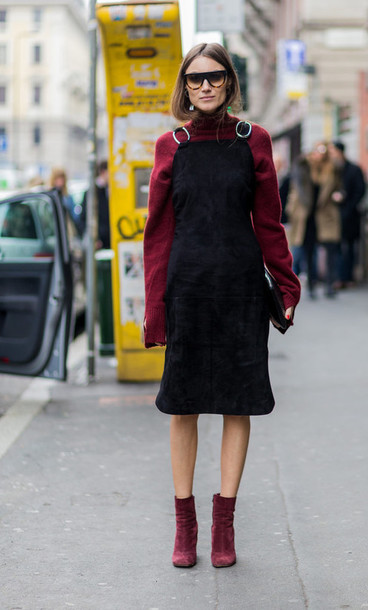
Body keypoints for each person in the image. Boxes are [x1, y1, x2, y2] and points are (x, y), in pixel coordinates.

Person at [143, 42, 301, 569]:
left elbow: (270, 222)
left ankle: (224, 526)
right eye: (195, 79)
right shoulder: (172, 145)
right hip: (186, 288)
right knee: (181, 403)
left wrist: (286, 285)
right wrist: (154, 306)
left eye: (215, 77)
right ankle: (184, 526)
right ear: (184, 87)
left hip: (239, 290)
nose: (205, 86)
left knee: (239, 402)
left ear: (230, 83)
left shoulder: (253, 140)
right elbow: (158, 235)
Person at [286, 143, 343, 298]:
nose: (319, 155)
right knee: (308, 253)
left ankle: (329, 285)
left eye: (323, 153)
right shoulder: (303, 168)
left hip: (326, 215)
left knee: (330, 250)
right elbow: (293, 190)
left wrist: (339, 196)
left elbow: (340, 188)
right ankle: (311, 286)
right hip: (306, 216)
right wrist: (291, 210)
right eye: (317, 152)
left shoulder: (333, 169)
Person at [328, 141, 366, 287]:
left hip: (350, 215)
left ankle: (348, 277)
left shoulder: (354, 169)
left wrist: (348, 205)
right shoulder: (330, 169)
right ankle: (337, 277)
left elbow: (360, 191)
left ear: (340, 152)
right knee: (335, 247)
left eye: (333, 152)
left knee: (349, 247)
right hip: (333, 215)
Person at [80, 160, 110, 248]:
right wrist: (94, 239)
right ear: (103, 172)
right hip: (99, 242)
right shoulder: (92, 193)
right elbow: (84, 218)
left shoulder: (112, 190)